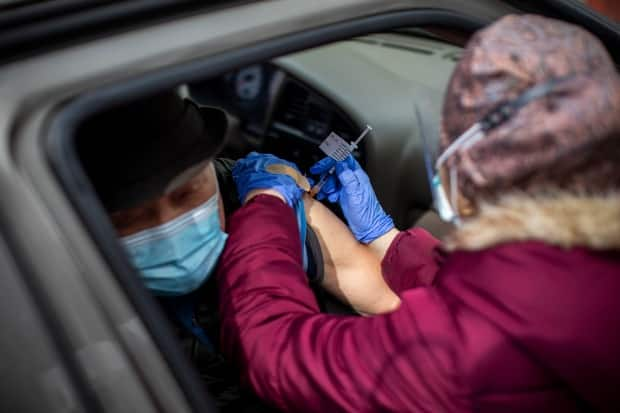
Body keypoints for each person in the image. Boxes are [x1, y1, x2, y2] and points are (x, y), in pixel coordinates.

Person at [217, 14, 620, 412]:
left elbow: (273, 353)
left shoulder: (467, 356)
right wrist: (386, 240)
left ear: (474, 167)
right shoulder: (577, 273)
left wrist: (266, 205)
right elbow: (497, 294)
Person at [78, 90, 398, 411]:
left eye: (188, 193)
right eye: (132, 217)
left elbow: (382, 299)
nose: (170, 224)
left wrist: (383, 237)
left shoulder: (253, 187)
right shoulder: (61, 276)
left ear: (210, 165)